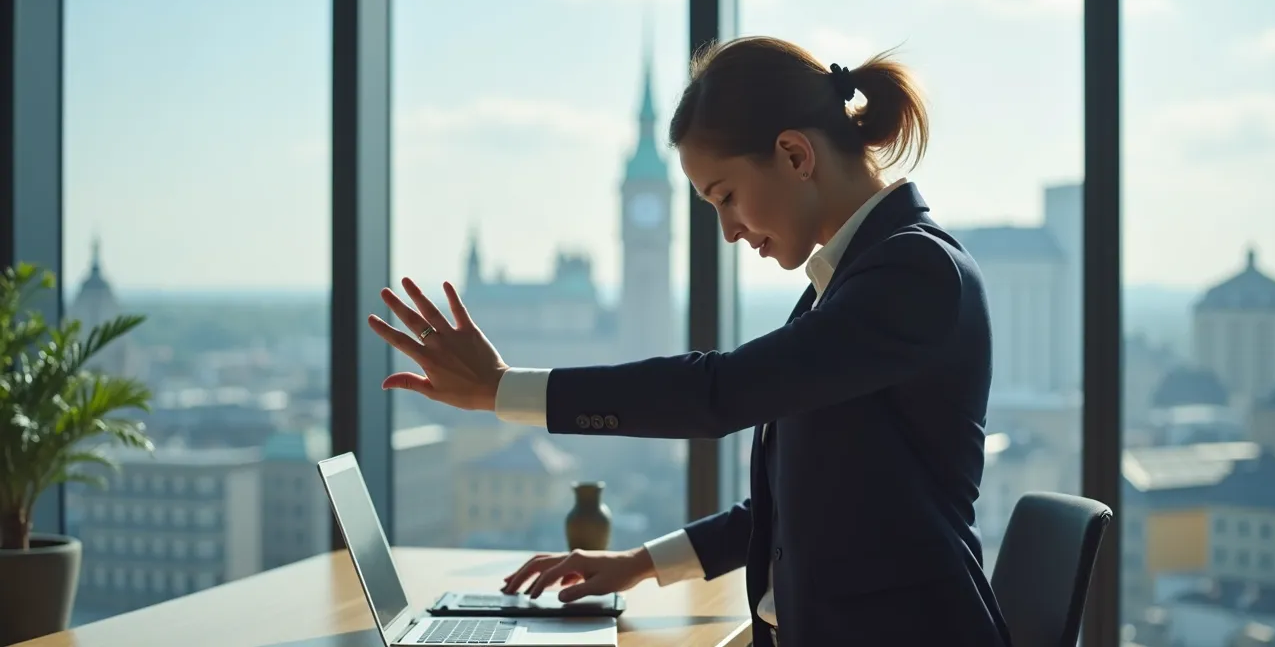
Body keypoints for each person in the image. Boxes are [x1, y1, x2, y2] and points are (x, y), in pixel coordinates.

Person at [369, 36, 1012, 646]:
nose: (729, 230)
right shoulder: (851, 284)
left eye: (725, 197)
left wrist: (502, 390)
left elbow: (719, 392)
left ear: (795, 155)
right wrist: (640, 564)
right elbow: (798, 504)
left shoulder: (914, 276)